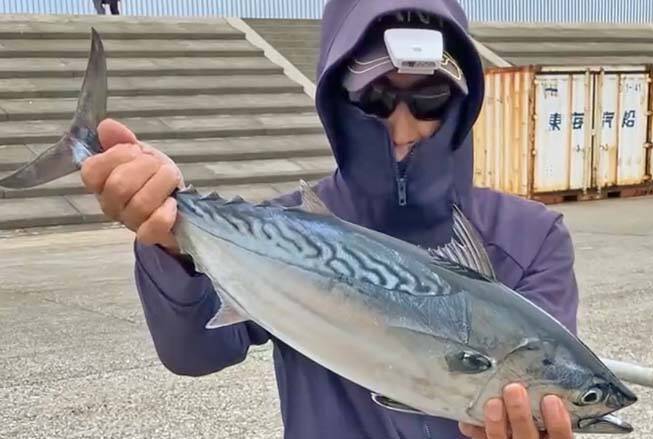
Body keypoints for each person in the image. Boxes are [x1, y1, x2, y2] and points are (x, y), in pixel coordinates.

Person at [80, 1, 579, 438]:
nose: (403, 128)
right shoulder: (287, 226)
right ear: (339, 102)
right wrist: (171, 242)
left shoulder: (530, 235)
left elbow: (543, 373)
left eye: (429, 99)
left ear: (463, 104)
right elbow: (197, 351)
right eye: (376, 99)